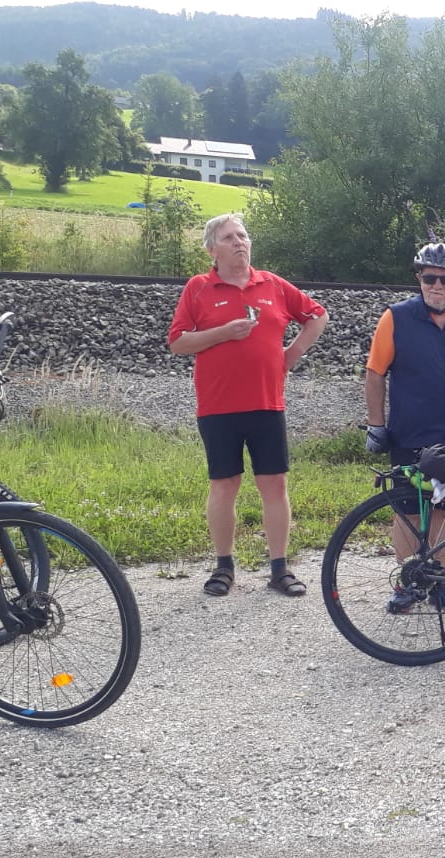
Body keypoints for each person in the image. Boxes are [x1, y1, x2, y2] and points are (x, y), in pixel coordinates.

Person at [167, 213, 328, 598]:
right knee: (224, 485)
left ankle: (279, 568)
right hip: (218, 406)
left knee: (274, 484)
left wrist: (292, 354)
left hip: (266, 403)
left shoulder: (272, 284)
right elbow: (177, 342)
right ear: (212, 249)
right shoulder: (199, 287)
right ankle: (224, 566)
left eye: (243, 235)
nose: (239, 242)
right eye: (229, 237)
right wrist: (224, 333)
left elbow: (317, 316)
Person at [363, 242, 445, 614]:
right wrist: (376, 425)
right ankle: (408, 583)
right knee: (408, 511)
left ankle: (443, 582)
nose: (436, 286)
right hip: (410, 433)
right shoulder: (396, 317)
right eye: (429, 278)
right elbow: (375, 373)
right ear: (419, 279)